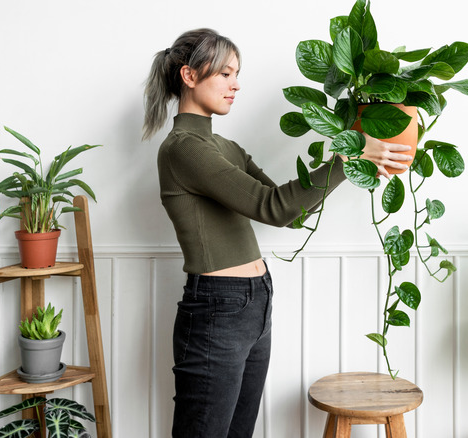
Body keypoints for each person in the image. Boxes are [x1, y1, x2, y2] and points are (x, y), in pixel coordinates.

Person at [142, 28, 411, 438]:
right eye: (225, 74)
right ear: (190, 76)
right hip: (218, 309)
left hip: (255, 303)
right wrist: (350, 155)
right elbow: (275, 209)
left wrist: (355, 151)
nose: (236, 84)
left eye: (238, 74)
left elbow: (290, 205)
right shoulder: (184, 148)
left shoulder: (226, 148)